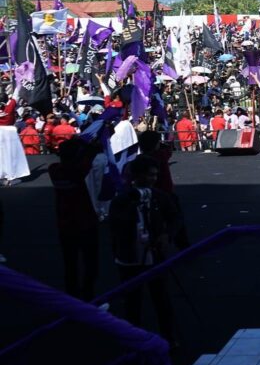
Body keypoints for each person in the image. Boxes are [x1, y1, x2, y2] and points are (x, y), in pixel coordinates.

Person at [109, 156, 180, 343]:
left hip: (155, 255)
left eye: (155, 175)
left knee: (161, 299)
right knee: (132, 301)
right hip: (130, 258)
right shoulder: (122, 200)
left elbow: (174, 218)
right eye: (149, 175)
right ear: (137, 175)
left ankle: (169, 337)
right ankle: (134, 339)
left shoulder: (159, 197)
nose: (152, 179)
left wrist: (166, 235)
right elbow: (116, 227)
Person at [49, 137, 102, 301]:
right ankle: (88, 296)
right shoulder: (77, 172)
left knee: (70, 265)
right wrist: (89, 145)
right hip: (85, 224)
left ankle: (72, 297)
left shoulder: (54, 170)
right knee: (90, 263)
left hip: (65, 224)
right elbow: (89, 157)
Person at [0, 88, 31, 183]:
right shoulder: (11, 104)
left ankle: (2, 175)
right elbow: (17, 92)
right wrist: (19, 82)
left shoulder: (10, 104)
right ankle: (11, 176)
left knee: (1, 154)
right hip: (10, 132)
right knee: (12, 154)